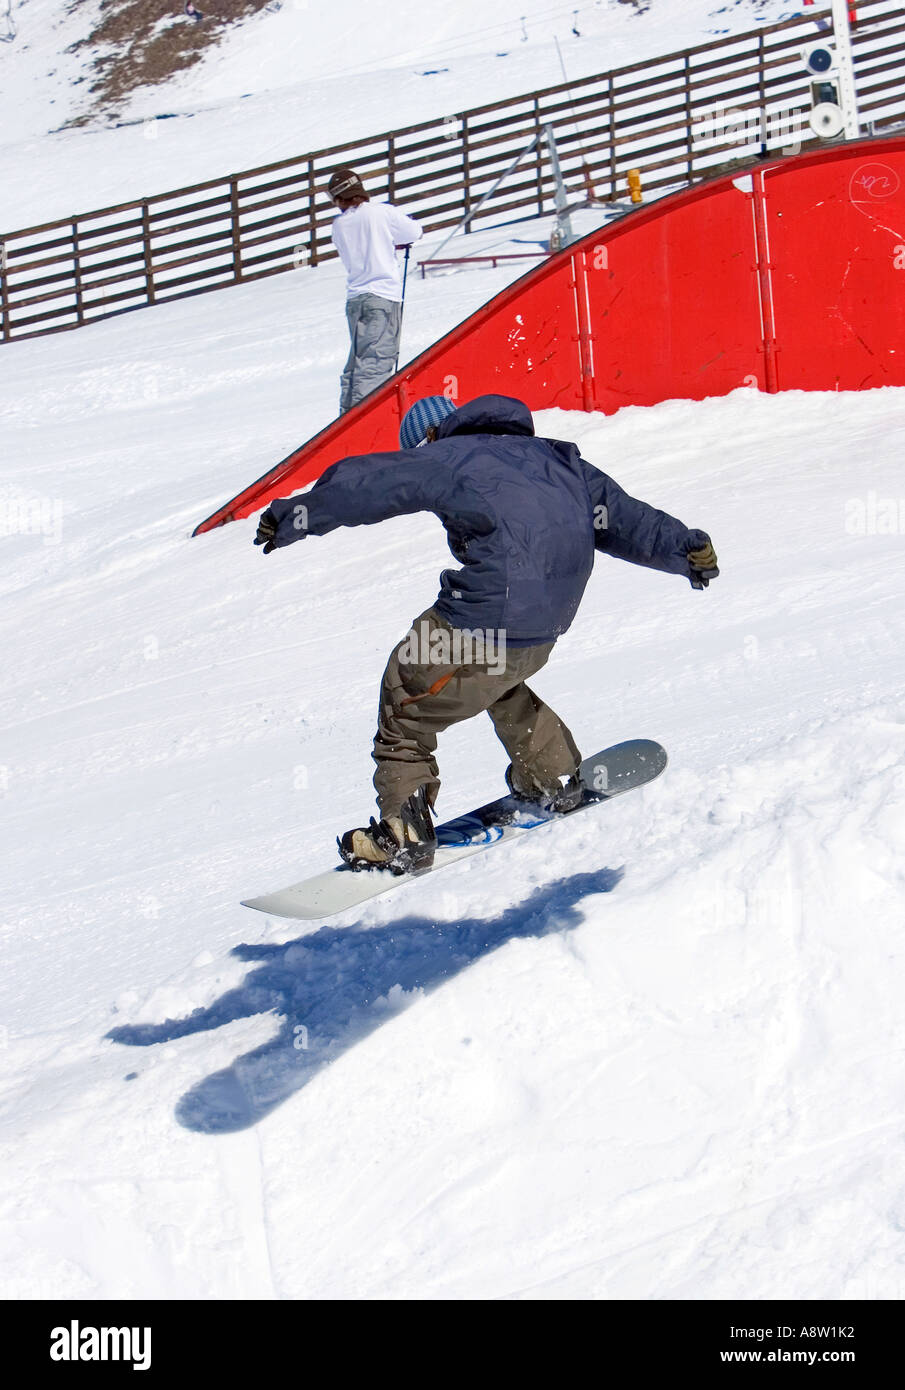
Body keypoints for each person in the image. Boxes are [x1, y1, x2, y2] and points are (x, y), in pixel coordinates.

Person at [254, 393, 719, 872]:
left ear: (432, 435)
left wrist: (296, 516)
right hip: (545, 626)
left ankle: (402, 831)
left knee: (406, 695)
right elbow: (625, 518)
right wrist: (684, 551)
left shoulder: (449, 455)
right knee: (490, 679)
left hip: (488, 614)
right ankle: (551, 776)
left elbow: (372, 483)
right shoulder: (556, 458)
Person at [327, 167, 422, 415]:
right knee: (376, 363)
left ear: (339, 199)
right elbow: (414, 231)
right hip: (382, 296)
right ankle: (363, 420)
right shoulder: (381, 213)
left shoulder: (338, 226)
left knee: (356, 364)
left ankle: (345, 418)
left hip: (355, 299)